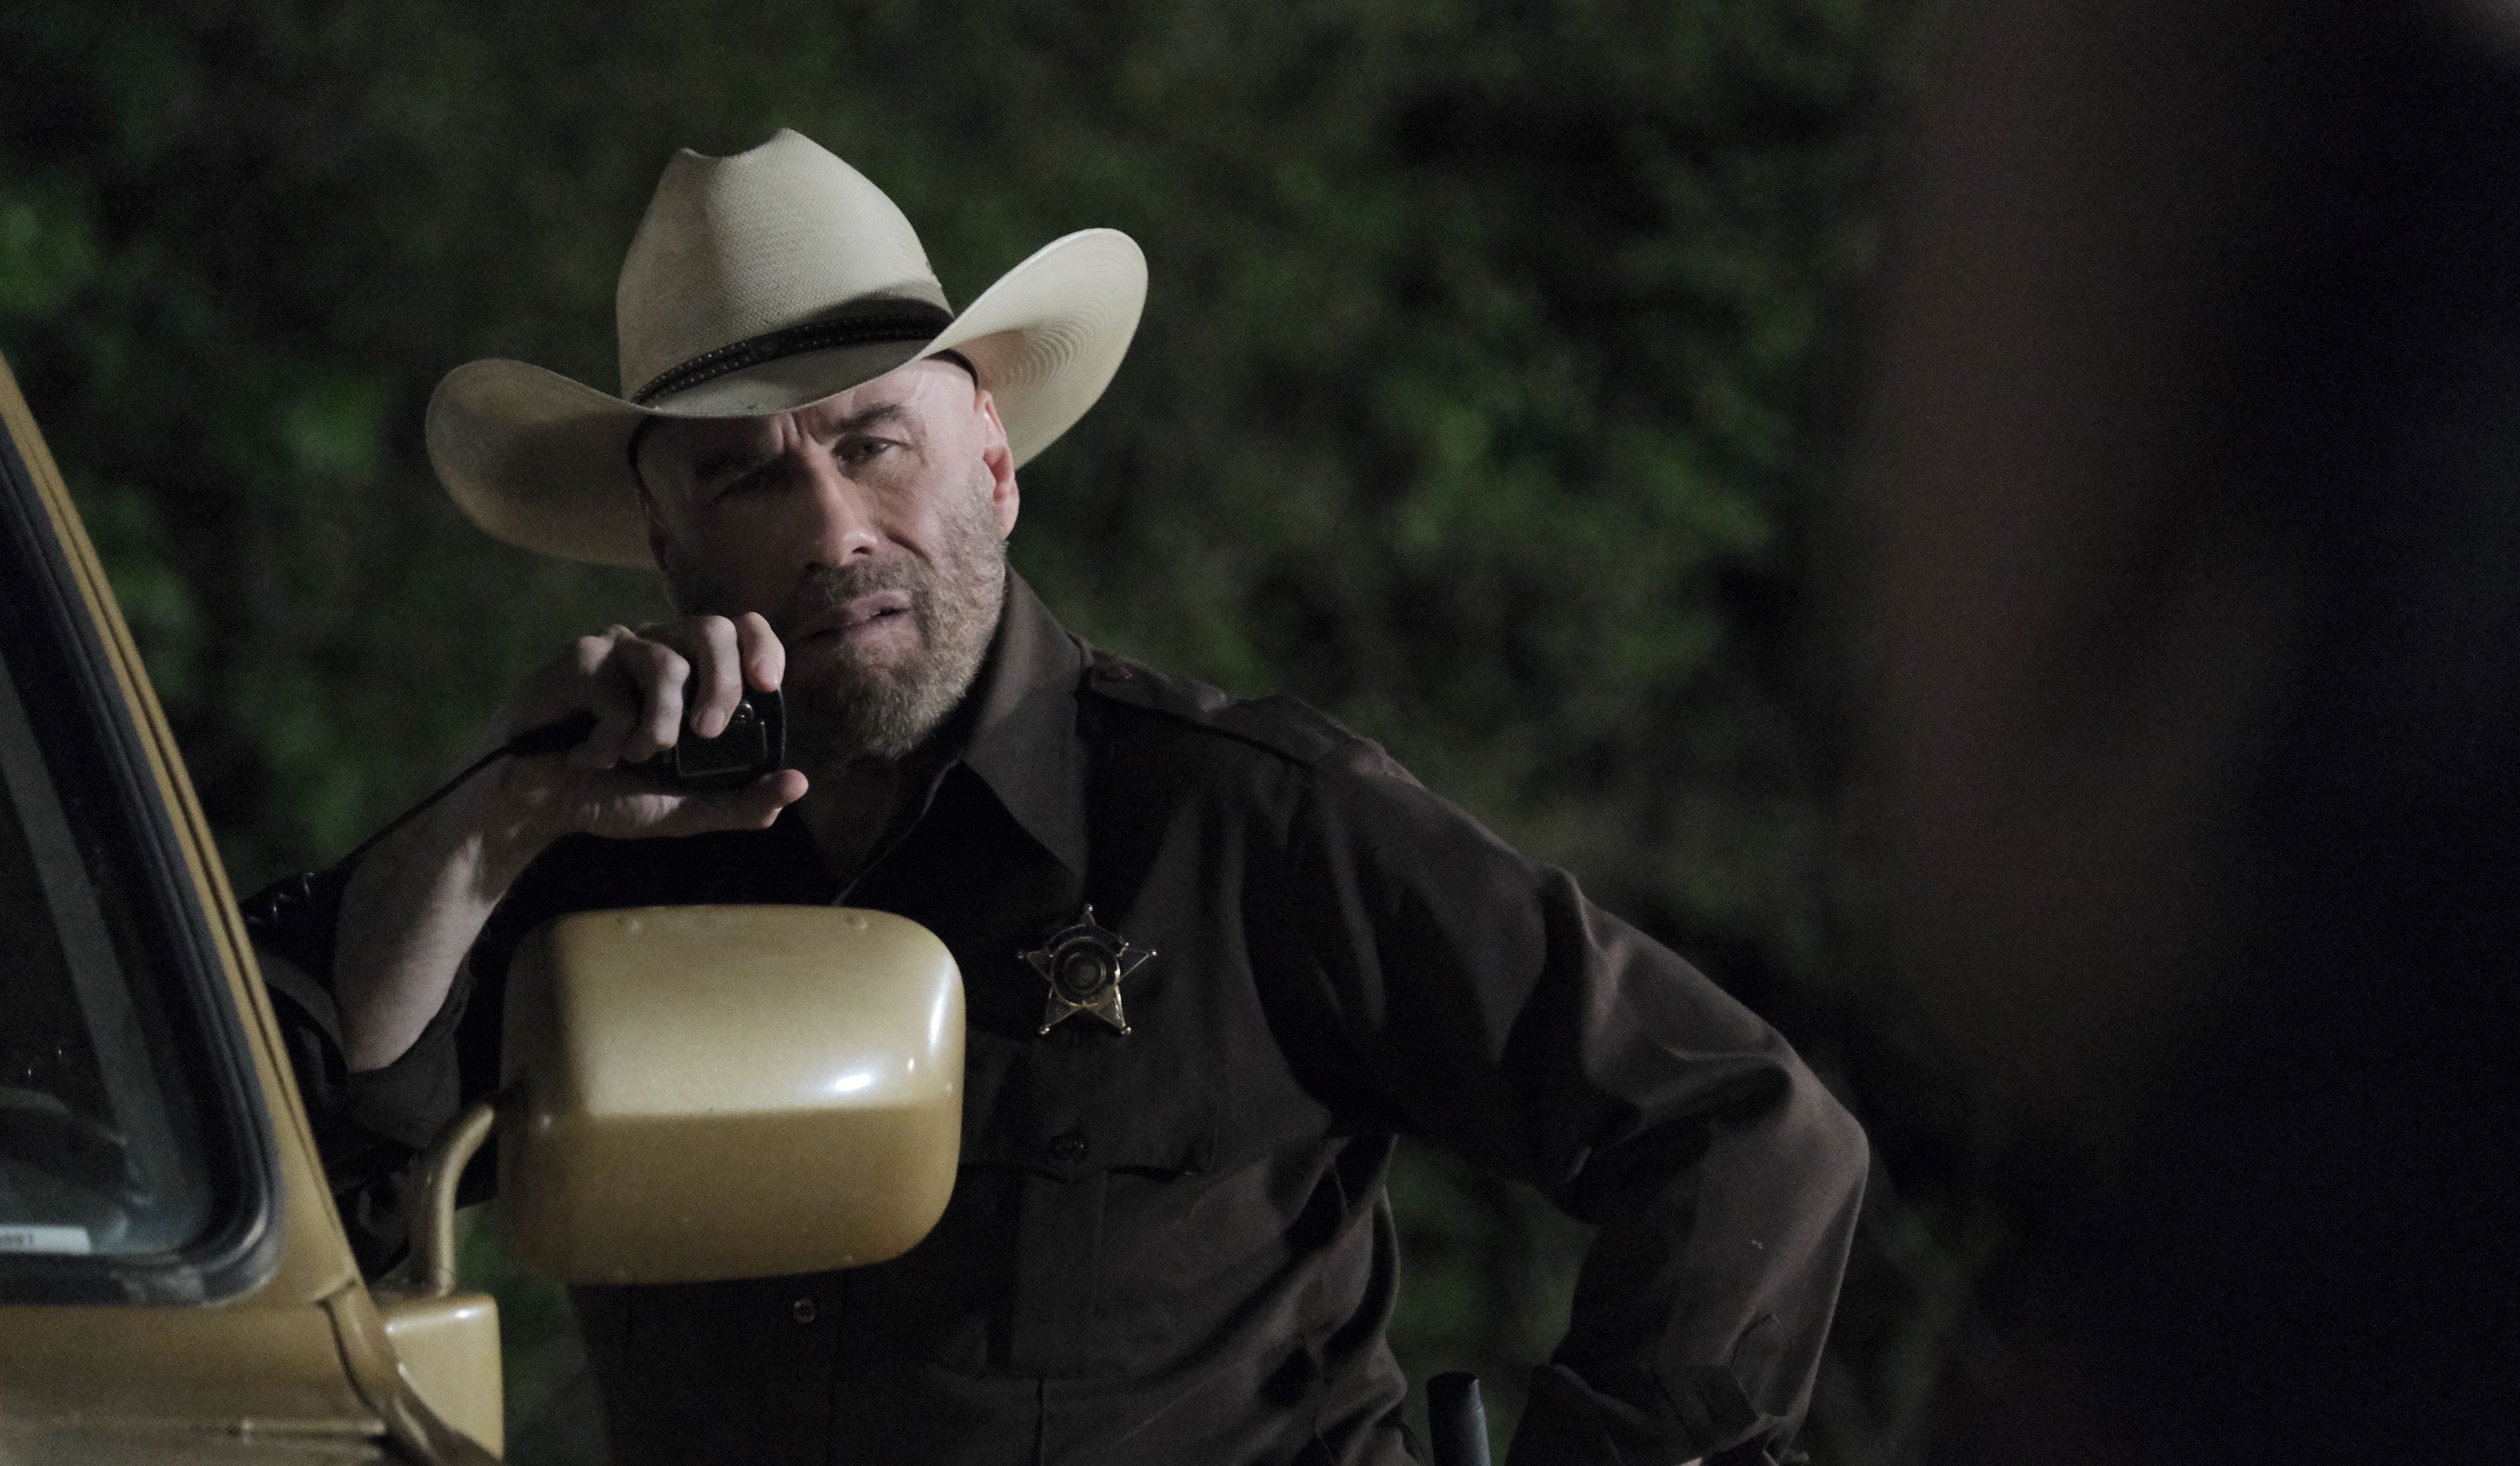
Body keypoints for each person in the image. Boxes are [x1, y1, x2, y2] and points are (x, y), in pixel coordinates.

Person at [246, 129, 1866, 1466]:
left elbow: (1736, 1130)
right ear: (669, 550)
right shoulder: (584, 843)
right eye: (748, 476)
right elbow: (282, 1180)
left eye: (873, 444)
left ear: (994, 467)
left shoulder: (1240, 825)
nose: (832, 530)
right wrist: (494, 823)